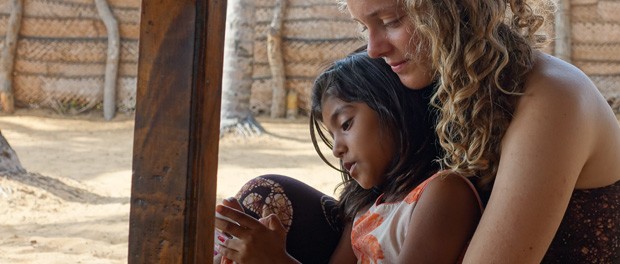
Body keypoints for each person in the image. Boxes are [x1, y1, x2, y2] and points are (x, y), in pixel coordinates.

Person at [343, 0, 620, 263]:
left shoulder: (552, 99)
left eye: (390, 21)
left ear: (452, 8)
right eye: (364, 27)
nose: (373, 49)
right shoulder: (449, 94)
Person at [214, 51, 483, 263]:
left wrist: (275, 261)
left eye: (345, 125)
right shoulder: (364, 210)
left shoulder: (444, 193)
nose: (336, 149)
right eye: (332, 136)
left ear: (394, 109)